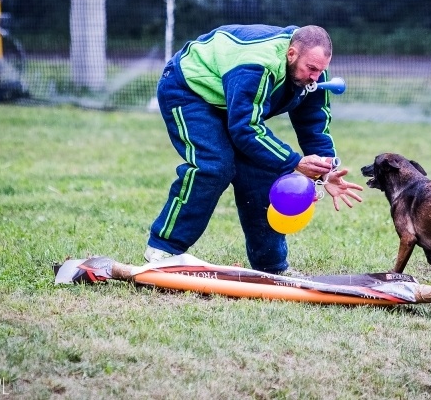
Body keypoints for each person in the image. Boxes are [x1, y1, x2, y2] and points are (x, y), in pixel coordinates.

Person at [145, 24, 364, 273]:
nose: (315, 77)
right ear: (291, 54)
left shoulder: (313, 73)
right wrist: (294, 162)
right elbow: (246, 128)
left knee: (261, 172)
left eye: (321, 70)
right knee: (214, 166)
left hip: (232, 103)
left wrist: (326, 170)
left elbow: (313, 124)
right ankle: (163, 249)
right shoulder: (257, 65)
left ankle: (271, 266)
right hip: (188, 90)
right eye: (311, 69)